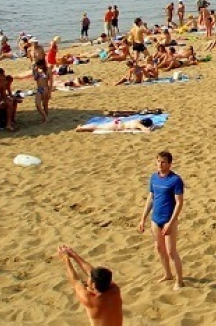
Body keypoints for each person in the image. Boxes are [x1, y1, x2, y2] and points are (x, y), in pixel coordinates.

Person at [138, 151, 185, 290]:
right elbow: (151, 197)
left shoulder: (175, 180)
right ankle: (167, 274)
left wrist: (171, 222)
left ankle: (179, 281)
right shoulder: (154, 178)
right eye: (158, 161)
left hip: (168, 219)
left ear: (169, 164)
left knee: (171, 251)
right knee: (159, 248)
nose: (160, 164)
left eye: (163, 162)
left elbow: (179, 203)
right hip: (155, 219)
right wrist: (143, 218)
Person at [56, 245, 123, 326]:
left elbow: (75, 280)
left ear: (94, 285)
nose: (88, 277)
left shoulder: (90, 299)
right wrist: (74, 255)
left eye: (89, 278)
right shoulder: (115, 290)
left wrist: (65, 259)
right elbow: (92, 272)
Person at [76, 117, 154, 132]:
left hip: (119, 123)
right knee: (97, 127)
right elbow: (147, 130)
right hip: (118, 125)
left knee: (99, 126)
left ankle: (82, 127)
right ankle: (81, 128)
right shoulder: (138, 124)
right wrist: (151, 127)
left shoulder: (136, 121)